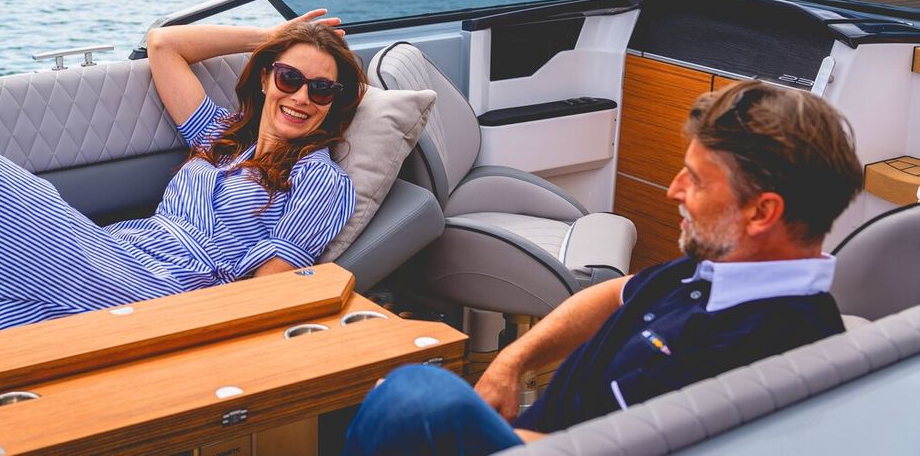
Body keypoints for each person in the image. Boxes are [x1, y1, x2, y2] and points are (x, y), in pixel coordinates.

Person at [0, 9, 365, 415]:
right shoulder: (220, 137)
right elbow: (163, 44)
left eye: (322, 90)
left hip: (162, 292)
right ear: (266, 78)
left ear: (333, 103)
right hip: (115, 253)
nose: (302, 97)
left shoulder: (321, 180)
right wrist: (273, 36)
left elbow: (267, 294)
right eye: (289, 77)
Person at [343, 79, 864, 455]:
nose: (673, 191)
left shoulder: (775, 348)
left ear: (762, 212)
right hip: (538, 431)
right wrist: (511, 362)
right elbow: (612, 295)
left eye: (697, 180)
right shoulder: (715, 269)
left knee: (414, 398)